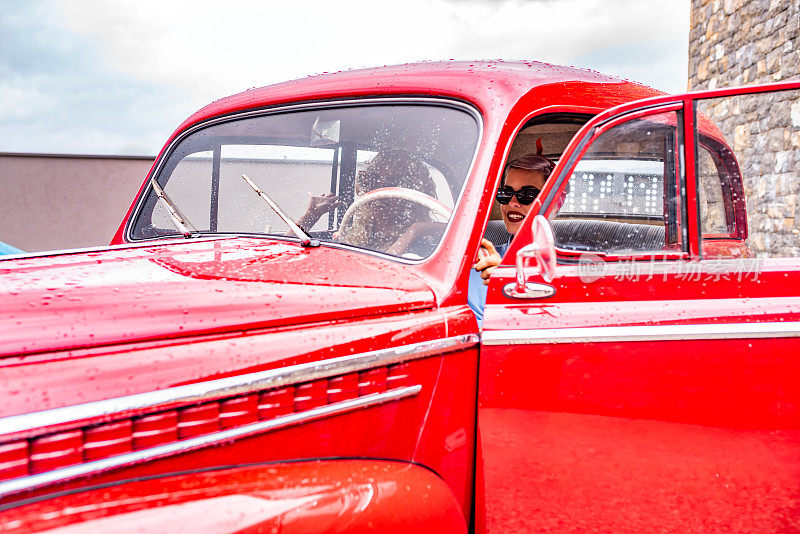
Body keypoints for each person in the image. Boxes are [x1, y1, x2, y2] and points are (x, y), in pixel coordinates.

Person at [469, 144, 556, 325]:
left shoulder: (566, 269)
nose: (512, 203)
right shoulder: (478, 257)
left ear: (555, 203)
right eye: (506, 193)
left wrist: (506, 282)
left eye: (527, 195)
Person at [296, 150, 442, 255]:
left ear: (412, 198)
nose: (379, 192)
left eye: (392, 184)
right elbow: (284, 255)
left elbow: (381, 274)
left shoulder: (423, 246)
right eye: (372, 180)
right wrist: (310, 216)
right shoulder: (363, 232)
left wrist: (414, 231)